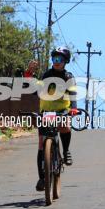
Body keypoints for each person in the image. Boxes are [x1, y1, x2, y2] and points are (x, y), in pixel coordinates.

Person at [25, 47, 79, 191]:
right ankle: (42, 178)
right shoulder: (47, 75)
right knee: (41, 144)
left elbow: (73, 94)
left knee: (65, 127)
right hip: (46, 111)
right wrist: (29, 75)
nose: (56, 62)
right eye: (54, 59)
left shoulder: (69, 77)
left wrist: (73, 108)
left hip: (62, 110)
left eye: (60, 60)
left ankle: (66, 151)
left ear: (65, 62)